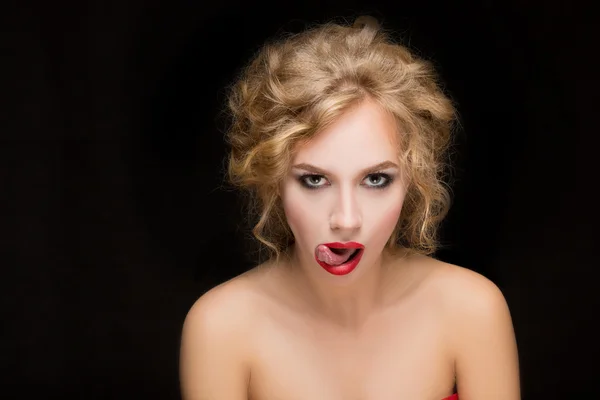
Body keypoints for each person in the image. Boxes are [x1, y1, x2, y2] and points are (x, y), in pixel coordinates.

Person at [179, 16, 520, 400]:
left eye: (375, 179)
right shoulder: (221, 328)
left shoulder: (471, 310)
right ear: (273, 180)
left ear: (413, 180)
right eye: (314, 180)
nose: (345, 220)